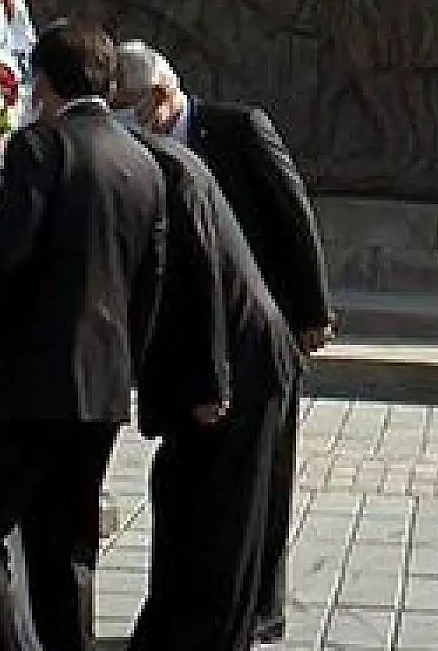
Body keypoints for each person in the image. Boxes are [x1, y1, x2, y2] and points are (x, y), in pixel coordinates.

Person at [0, 24, 167, 651]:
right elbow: (150, 285)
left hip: (25, 386)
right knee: (66, 546)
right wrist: (124, 369)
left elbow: (4, 260)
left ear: (42, 82)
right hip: (99, 392)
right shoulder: (143, 164)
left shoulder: (41, 148)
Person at [114, 41, 333, 644]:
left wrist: (312, 309)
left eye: (126, 104)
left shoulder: (237, 130)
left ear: (161, 98)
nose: (118, 118)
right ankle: (206, 615)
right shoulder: (151, 157)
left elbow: (294, 214)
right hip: (209, 331)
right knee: (202, 490)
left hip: (255, 331)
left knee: (254, 487)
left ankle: (255, 608)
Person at [121, 127, 300, 651]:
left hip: (239, 363)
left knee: (223, 513)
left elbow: (201, 280)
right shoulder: (162, 161)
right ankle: (182, 626)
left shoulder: (169, 172)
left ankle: (212, 633)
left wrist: (208, 383)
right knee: (185, 493)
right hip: (223, 361)